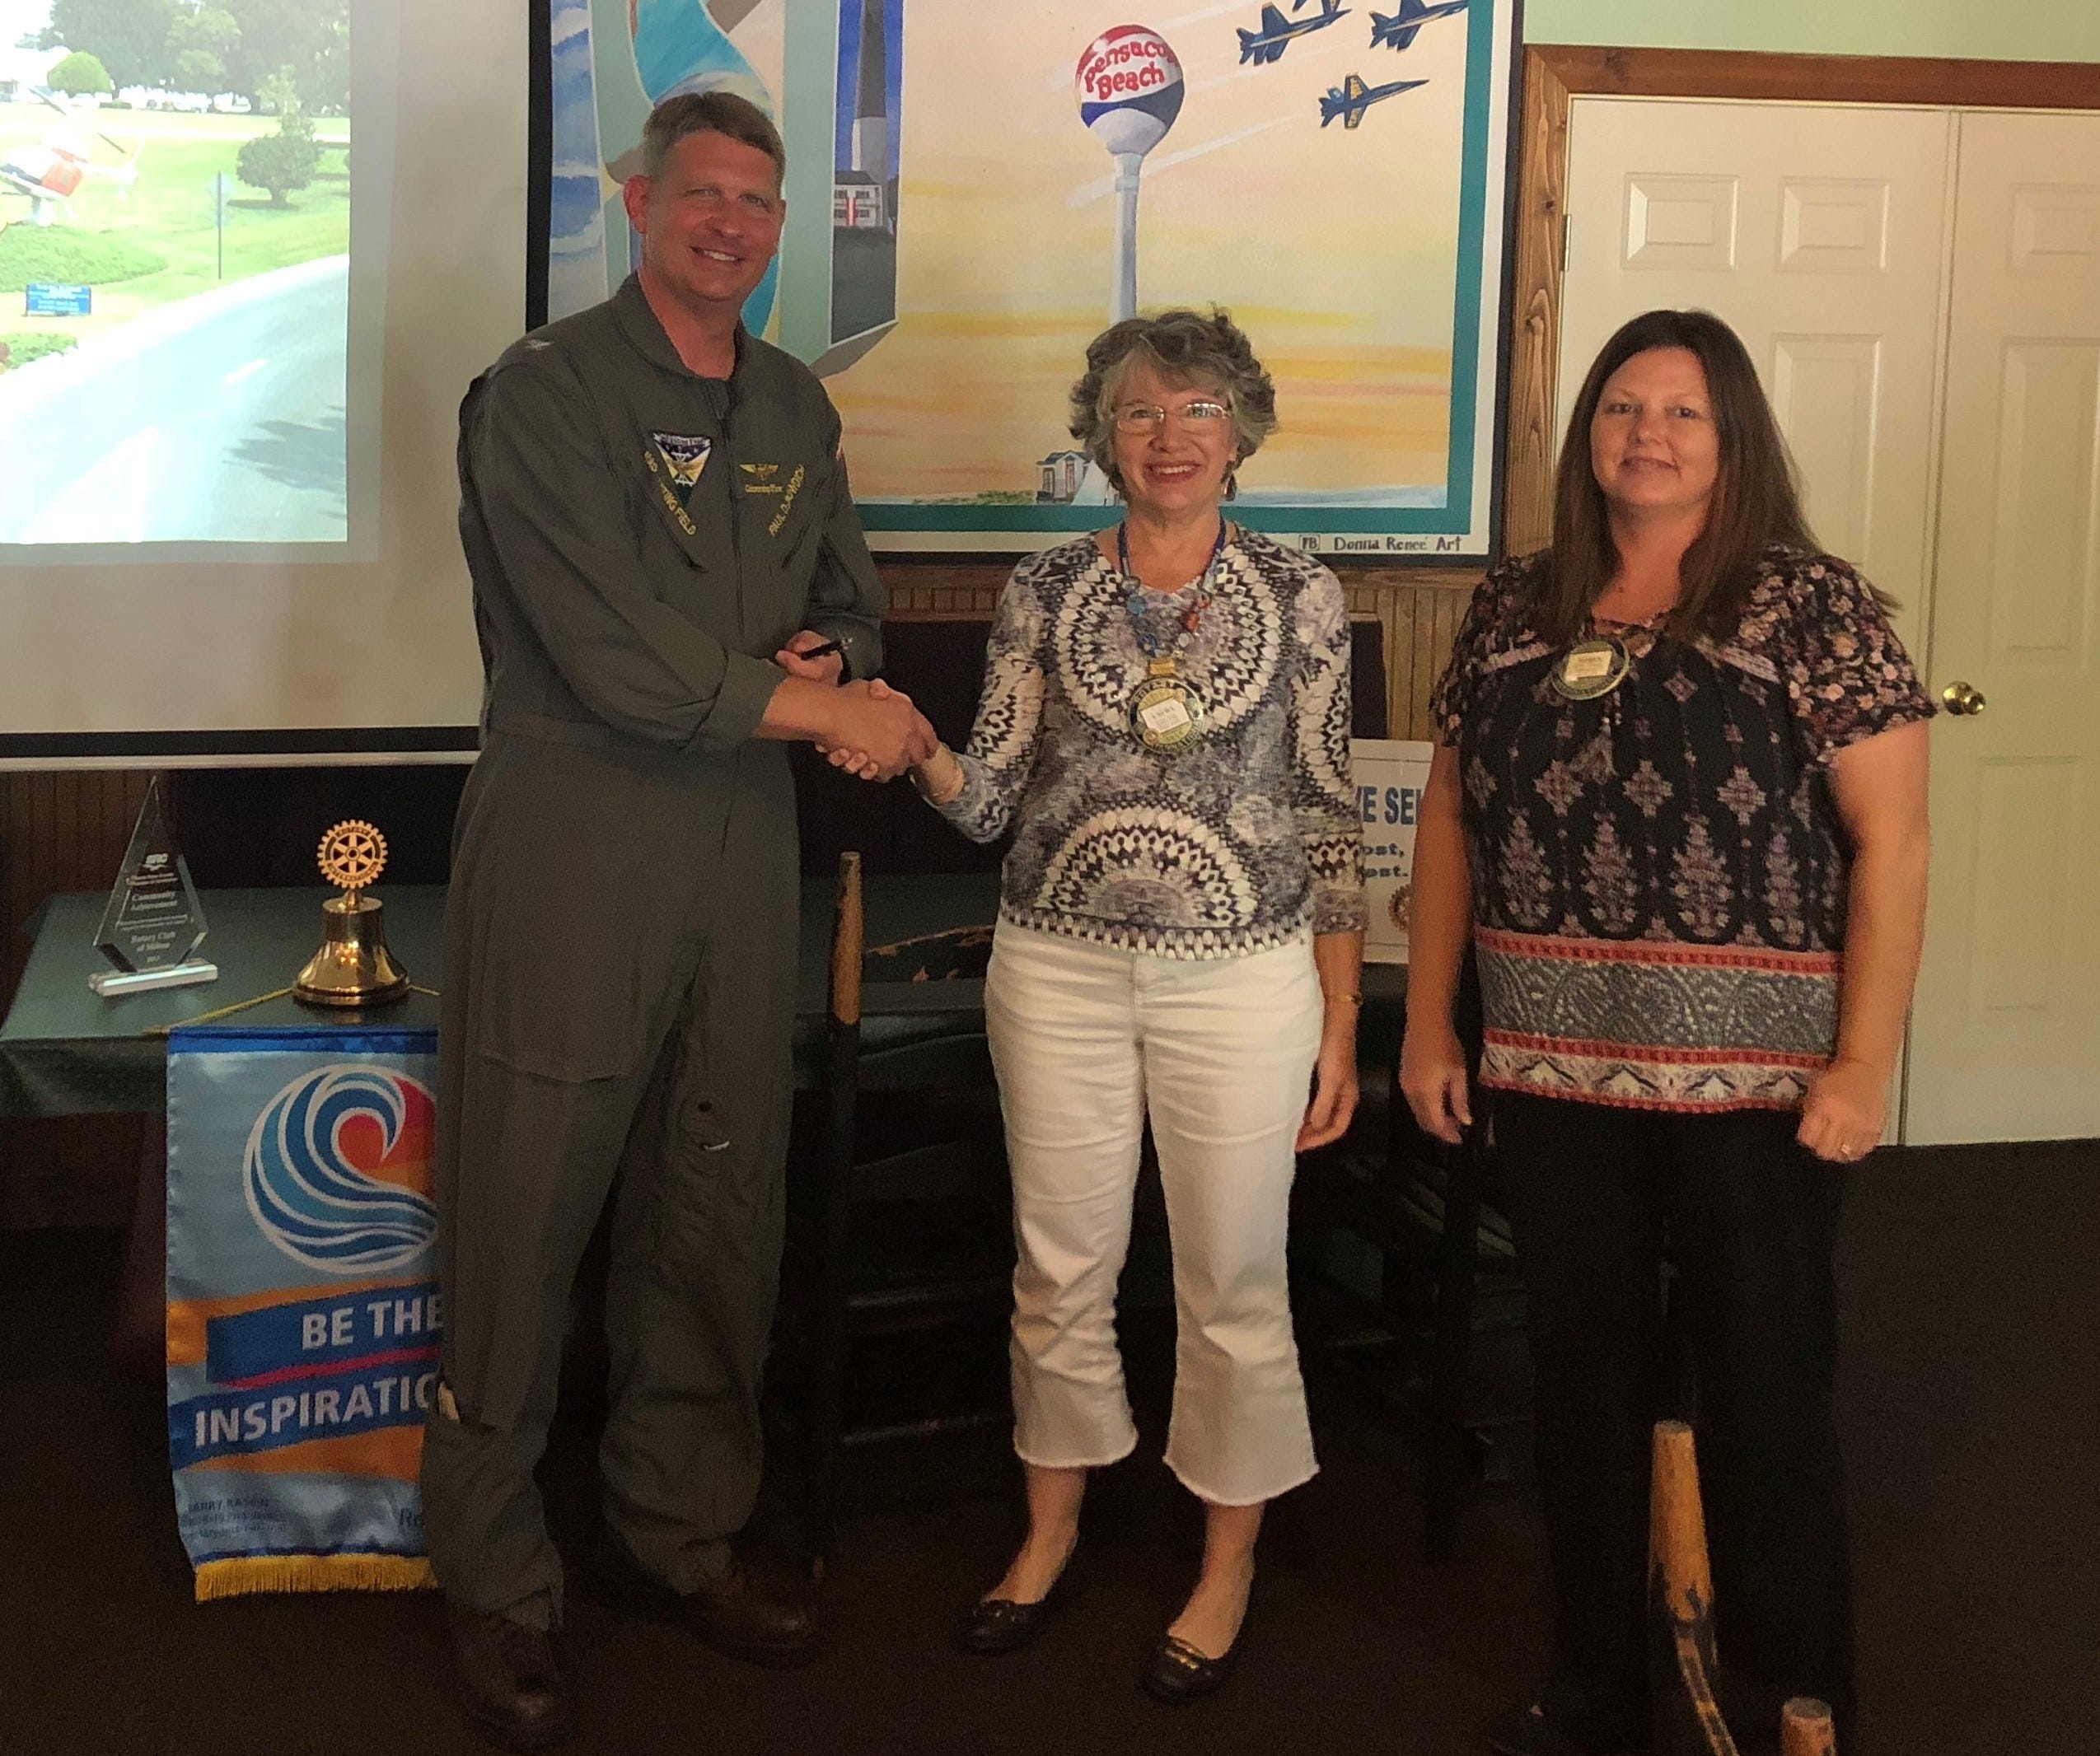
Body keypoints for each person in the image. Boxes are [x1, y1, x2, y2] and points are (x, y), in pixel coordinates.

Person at [425, 91, 936, 1752]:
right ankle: (495, 1574)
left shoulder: (792, 401)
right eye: (701, 192)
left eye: (756, 202)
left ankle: (676, 1529)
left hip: (738, 844)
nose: (730, 222)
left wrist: (841, 660)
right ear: (638, 203)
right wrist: (827, 712)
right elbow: (609, 652)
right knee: (522, 1203)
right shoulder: (542, 392)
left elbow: (848, 597)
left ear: (781, 228)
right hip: (576, 831)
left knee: (717, 1193)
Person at [1401, 309, 1933, 1756]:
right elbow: (1448, 818)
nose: (1647, 434)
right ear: (1588, 431)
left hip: (1761, 1088)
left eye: (1683, 411)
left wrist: (1861, 1064)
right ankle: (1594, 1690)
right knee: (1581, 1396)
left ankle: (1781, 1704)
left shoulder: (1810, 606)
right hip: (1549, 1073)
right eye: (1622, 406)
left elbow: (1891, 844)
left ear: (1732, 436)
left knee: (1765, 1396)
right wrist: (1431, 1028)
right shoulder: (1514, 605)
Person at [833, 308, 1366, 1702]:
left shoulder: (1303, 590)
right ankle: (1050, 1530)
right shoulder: (1045, 585)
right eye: (1139, 412)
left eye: (1196, 411)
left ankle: (1225, 1560)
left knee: (1232, 1278)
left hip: (1243, 978)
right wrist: (914, 748)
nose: (1168, 436)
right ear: (1102, 437)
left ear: (1239, 434)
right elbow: (989, 800)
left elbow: (1328, 815)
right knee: (1058, 1266)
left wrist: (1340, 1021)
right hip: (1055, 970)